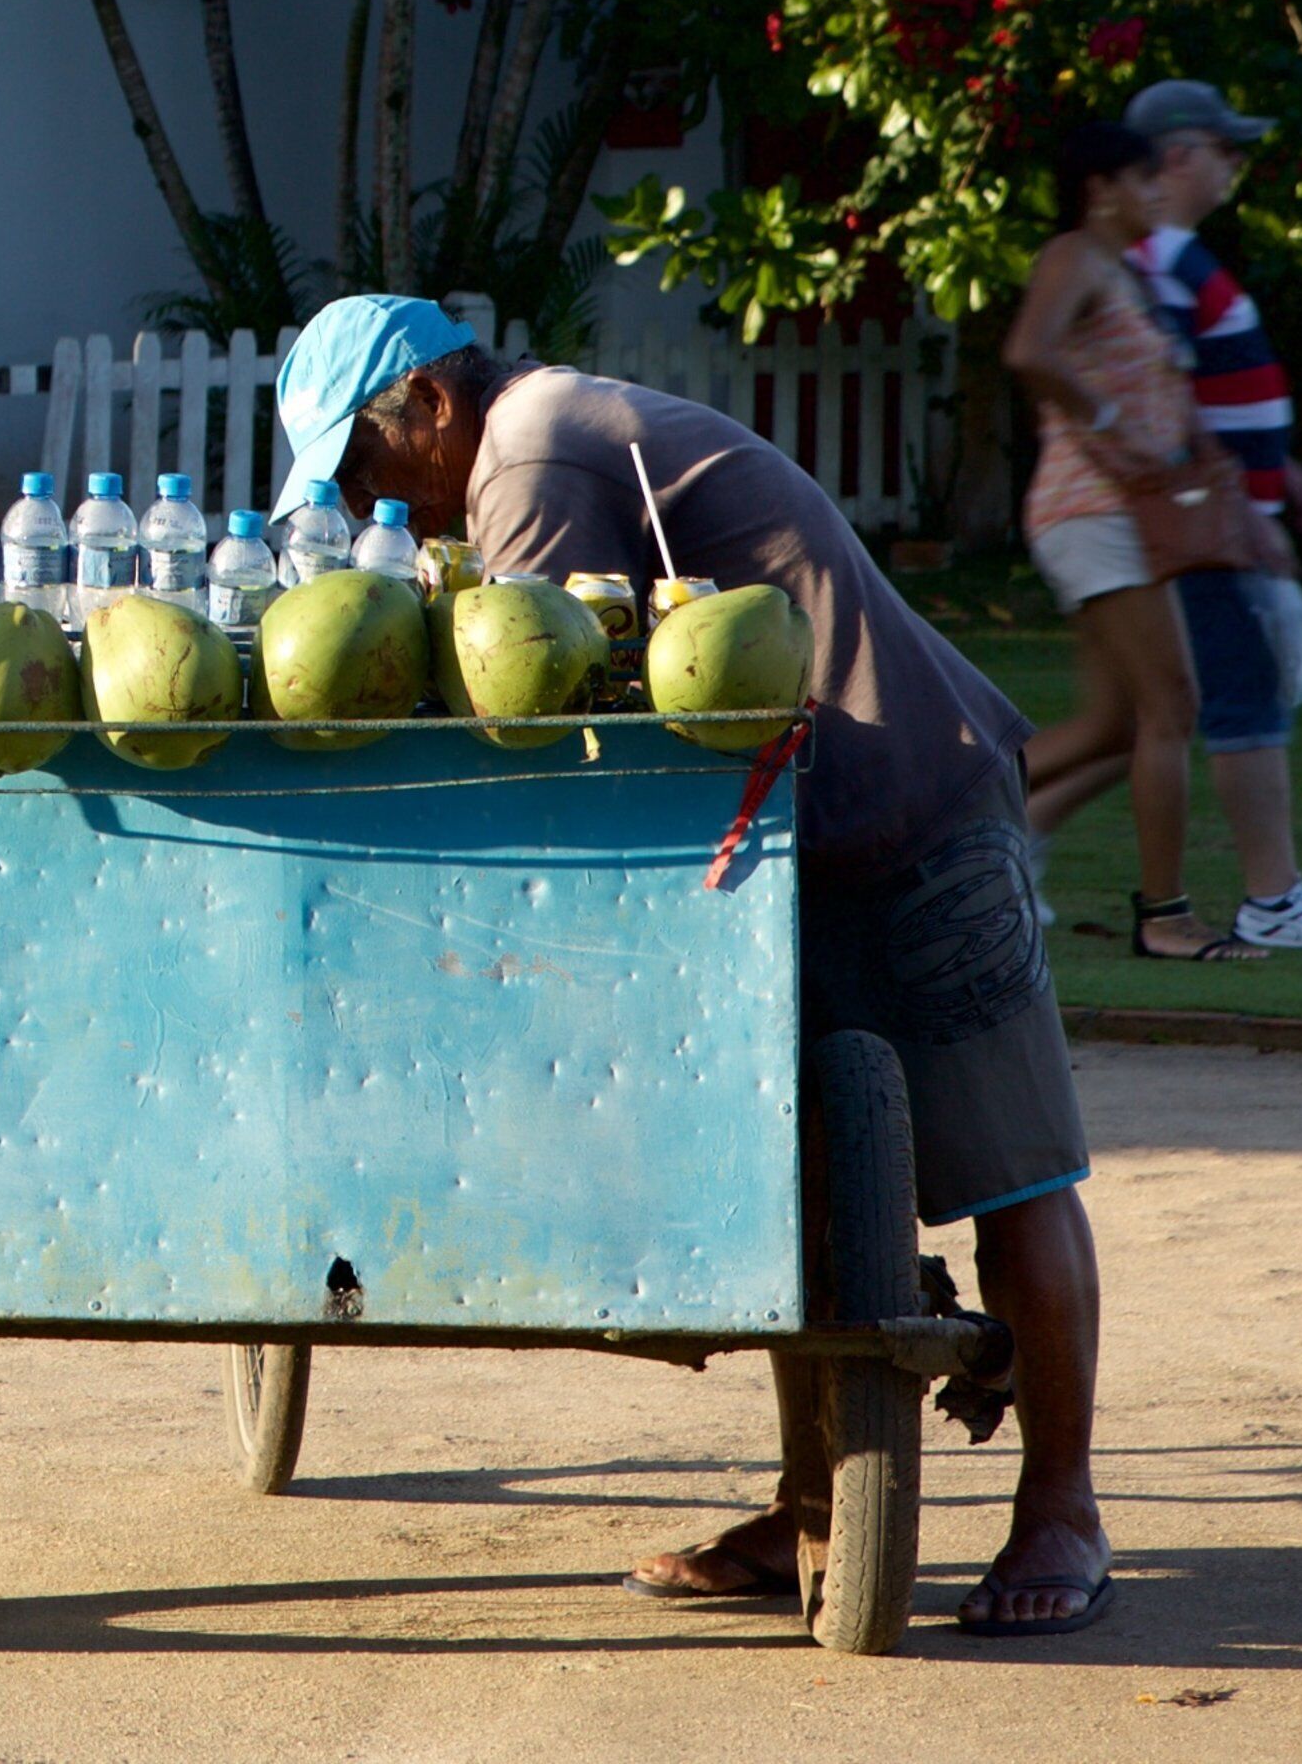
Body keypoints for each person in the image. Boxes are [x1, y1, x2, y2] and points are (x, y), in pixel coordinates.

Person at [269, 293, 1111, 1640]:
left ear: (431, 403)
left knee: (1013, 1173)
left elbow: (541, 736)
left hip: (908, 805)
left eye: (371, 466)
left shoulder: (529, 461)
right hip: (792, 835)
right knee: (814, 1190)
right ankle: (812, 1510)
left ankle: (1062, 1508)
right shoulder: (530, 442)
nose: (388, 507)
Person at [1101, 81, 1302, 948]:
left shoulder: (1168, 259)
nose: (1234, 167)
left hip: (1221, 515)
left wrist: (1275, 464)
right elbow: (1166, 398)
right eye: (1225, 150)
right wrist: (1242, 503)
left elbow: (1199, 393)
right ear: (1180, 155)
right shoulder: (1163, 261)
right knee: (1245, 701)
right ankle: (1272, 898)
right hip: (1208, 531)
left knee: (1147, 715)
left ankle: (1013, 852)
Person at [1001, 122, 1264, 962]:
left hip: (1122, 516)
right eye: (1145, 181)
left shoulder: (1126, 273)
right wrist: (1109, 421)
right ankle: (1166, 916)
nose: (1159, 195)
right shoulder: (1074, 255)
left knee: (1114, 726)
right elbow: (1029, 351)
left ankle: (969, 820)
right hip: (1091, 511)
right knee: (1171, 708)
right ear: (1102, 187)